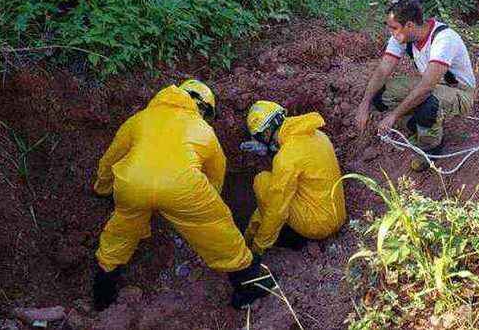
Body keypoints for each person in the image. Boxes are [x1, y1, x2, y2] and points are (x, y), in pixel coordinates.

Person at [91, 80, 273, 311]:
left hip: (132, 184)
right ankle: (249, 285)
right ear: (204, 108)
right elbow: (216, 174)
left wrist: (103, 188)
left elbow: (111, 157)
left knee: (120, 232)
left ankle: (103, 295)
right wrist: (206, 207)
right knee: (219, 231)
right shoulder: (202, 129)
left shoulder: (140, 119)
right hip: (183, 187)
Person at [355, 0, 476, 171]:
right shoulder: (403, 37)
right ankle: (415, 123)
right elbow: (383, 70)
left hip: (459, 93)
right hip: (432, 86)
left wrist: (394, 115)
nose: (392, 33)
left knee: (428, 103)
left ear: (410, 25)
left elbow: (426, 87)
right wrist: (364, 103)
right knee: (380, 95)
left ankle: (430, 148)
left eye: (394, 28)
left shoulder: (443, 39)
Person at [239, 100, 347, 254]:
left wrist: (257, 246)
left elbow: (276, 210)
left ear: (266, 133)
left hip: (319, 225)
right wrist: (270, 150)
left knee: (262, 182)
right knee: (281, 187)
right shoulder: (316, 134)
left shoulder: (286, 159)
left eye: (258, 137)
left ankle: (288, 237)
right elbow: (299, 159)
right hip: (337, 214)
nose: (257, 141)